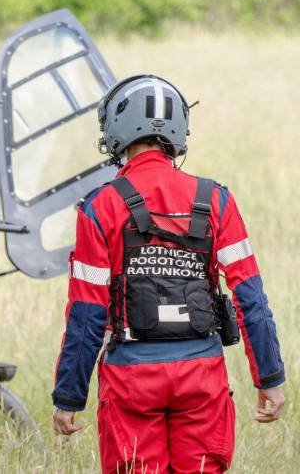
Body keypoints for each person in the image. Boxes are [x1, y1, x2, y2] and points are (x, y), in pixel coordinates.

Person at [51, 75, 285, 473]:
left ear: (115, 131)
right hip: (202, 375)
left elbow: (86, 314)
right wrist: (269, 376)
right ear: (177, 130)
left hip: (130, 379)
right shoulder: (215, 199)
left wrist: (69, 397)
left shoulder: (99, 207)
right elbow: (250, 297)